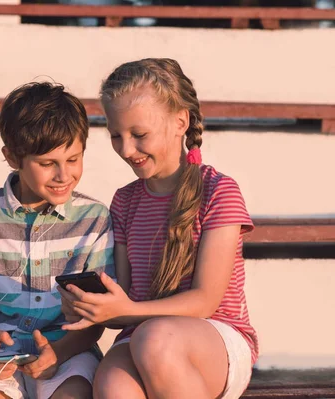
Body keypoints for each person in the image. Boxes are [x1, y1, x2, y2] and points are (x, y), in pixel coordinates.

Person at [60, 59, 258, 399]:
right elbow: (125, 305)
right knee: (111, 383)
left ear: (180, 121)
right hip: (140, 334)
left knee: (155, 340)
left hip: (214, 338)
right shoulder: (124, 201)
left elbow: (205, 301)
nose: (125, 149)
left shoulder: (219, 191)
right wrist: (92, 308)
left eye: (139, 135)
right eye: (115, 136)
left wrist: (129, 312)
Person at [0, 82, 115, 399]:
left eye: (73, 159)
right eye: (47, 163)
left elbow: (95, 318)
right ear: (13, 157)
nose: (63, 175)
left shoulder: (94, 218)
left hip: (67, 353)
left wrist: (58, 353)